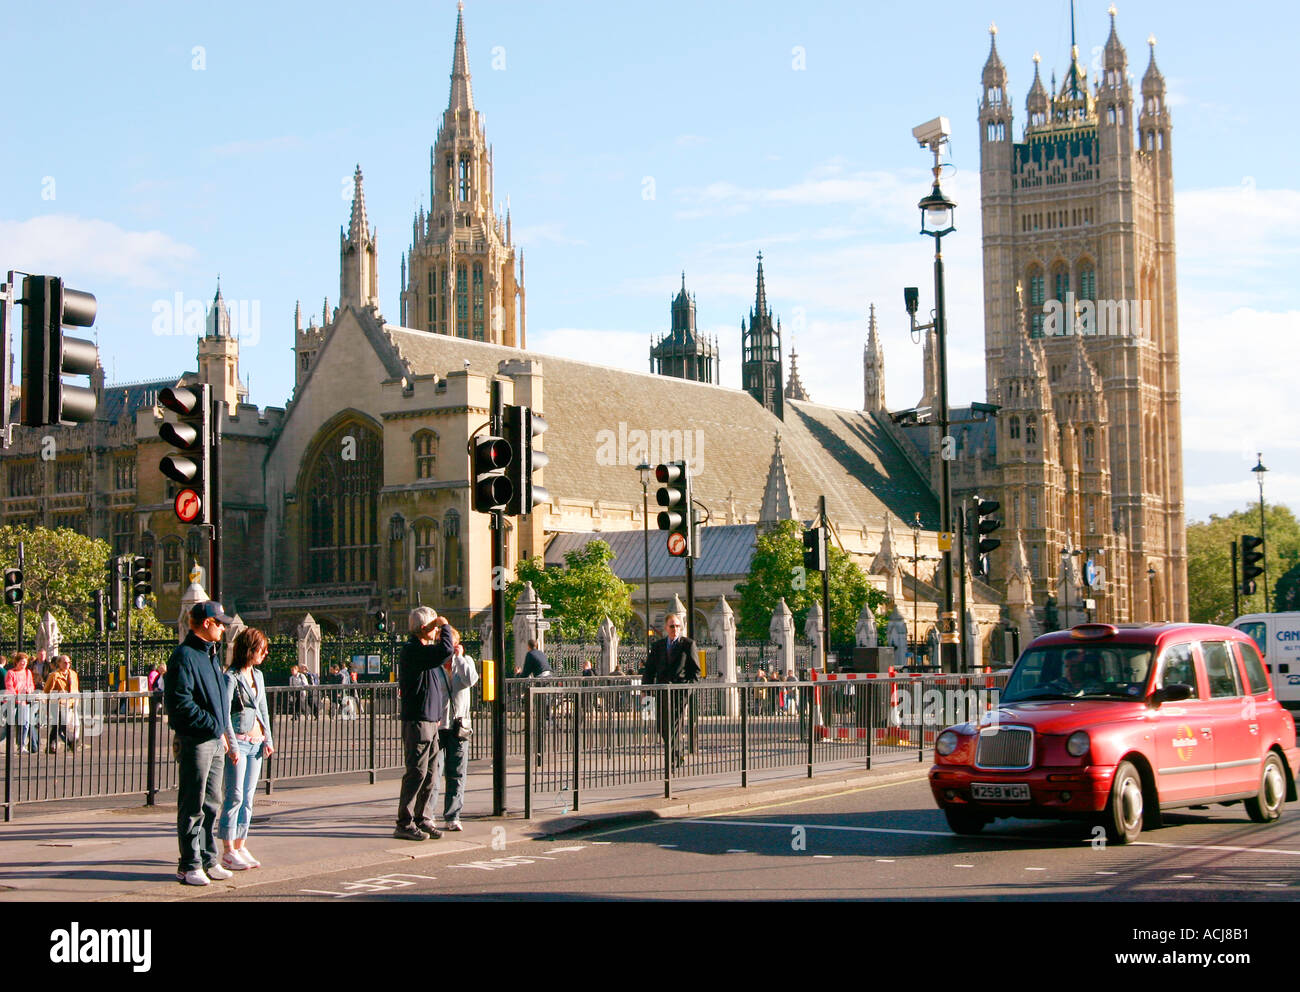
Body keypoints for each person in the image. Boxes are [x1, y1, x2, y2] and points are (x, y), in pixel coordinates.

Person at [164, 601, 238, 886]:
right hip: (196, 739)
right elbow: (179, 703)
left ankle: (208, 859)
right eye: (219, 622)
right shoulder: (184, 656)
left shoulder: (211, 655)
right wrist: (211, 725)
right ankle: (189, 863)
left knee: (211, 803)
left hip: (214, 739)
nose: (223, 627)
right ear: (206, 623)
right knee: (192, 803)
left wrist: (222, 732)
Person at [394, 606, 456, 841]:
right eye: (432, 627)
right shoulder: (412, 650)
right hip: (418, 721)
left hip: (430, 720)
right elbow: (446, 650)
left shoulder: (423, 651)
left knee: (431, 774)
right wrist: (444, 624)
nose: (436, 632)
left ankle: (422, 817)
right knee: (416, 772)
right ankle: (404, 822)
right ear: (424, 628)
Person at [219, 627, 275, 871]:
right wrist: (231, 744)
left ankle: (241, 844)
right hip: (239, 742)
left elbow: (263, 709)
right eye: (261, 649)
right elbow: (223, 715)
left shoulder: (258, 676)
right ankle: (228, 849)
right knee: (235, 796)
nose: (264, 653)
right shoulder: (231, 676)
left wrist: (268, 739)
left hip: (256, 743)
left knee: (249, 798)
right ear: (249, 649)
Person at [643, 613, 698, 766]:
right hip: (661, 693)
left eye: (678, 626)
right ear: (666, 628)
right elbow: (649, 670)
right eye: (672, 626)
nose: (675, 629)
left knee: (673, 727)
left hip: (678, 694)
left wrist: (687, 691)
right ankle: (679, 753)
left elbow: (695, 672)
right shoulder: (658, 646)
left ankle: (671, 760)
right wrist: (645, 691)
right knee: (661, 726)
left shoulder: (688, 644)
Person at [439, 632, 479, 831]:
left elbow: (472, 680)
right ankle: (426, 816)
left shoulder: (465, 661)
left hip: (458, 726)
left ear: (456, 644)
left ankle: (453, 816)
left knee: (456, 773)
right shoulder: (435, 664)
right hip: (437, 725)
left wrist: (460, 658)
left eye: (450, 643)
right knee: (433, 773)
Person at [43, 655, 80, 752]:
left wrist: (76, 699)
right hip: (58, 704)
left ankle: (51, 746)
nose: (67, 664)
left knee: (57, 724)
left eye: (68, 662)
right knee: (63, 723)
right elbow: (47, 690)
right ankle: (71, 742)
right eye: (64, 662)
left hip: (71, 702)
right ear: (59, 663)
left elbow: (76, 688)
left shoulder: (73, 674)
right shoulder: (55, 675)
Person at [5, 653, 39, 753]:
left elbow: (31, 685)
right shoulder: (11, 673)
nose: (24, 664)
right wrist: (16, 695)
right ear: (17, 662)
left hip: (24, 701)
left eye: (25, 662)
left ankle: (21, 745)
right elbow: (9, 686)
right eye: (22, 662)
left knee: (25, 723)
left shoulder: (28, 672)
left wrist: (29, 689)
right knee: (9, 725)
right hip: (13, 701)